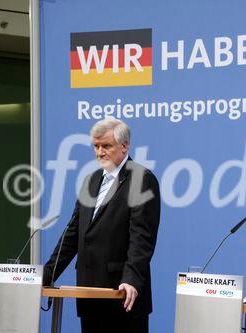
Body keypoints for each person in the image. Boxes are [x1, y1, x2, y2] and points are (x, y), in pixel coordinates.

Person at [43, 118, 161, 333]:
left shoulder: (141, 179)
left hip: (122, 295)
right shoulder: (92, 180)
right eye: (96, 146)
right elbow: (73, 233)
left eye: (106, 146)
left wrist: (131, 280)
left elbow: (142, 237)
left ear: (124, 146)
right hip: (89, 293)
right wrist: (46, 275)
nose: (99, 152)